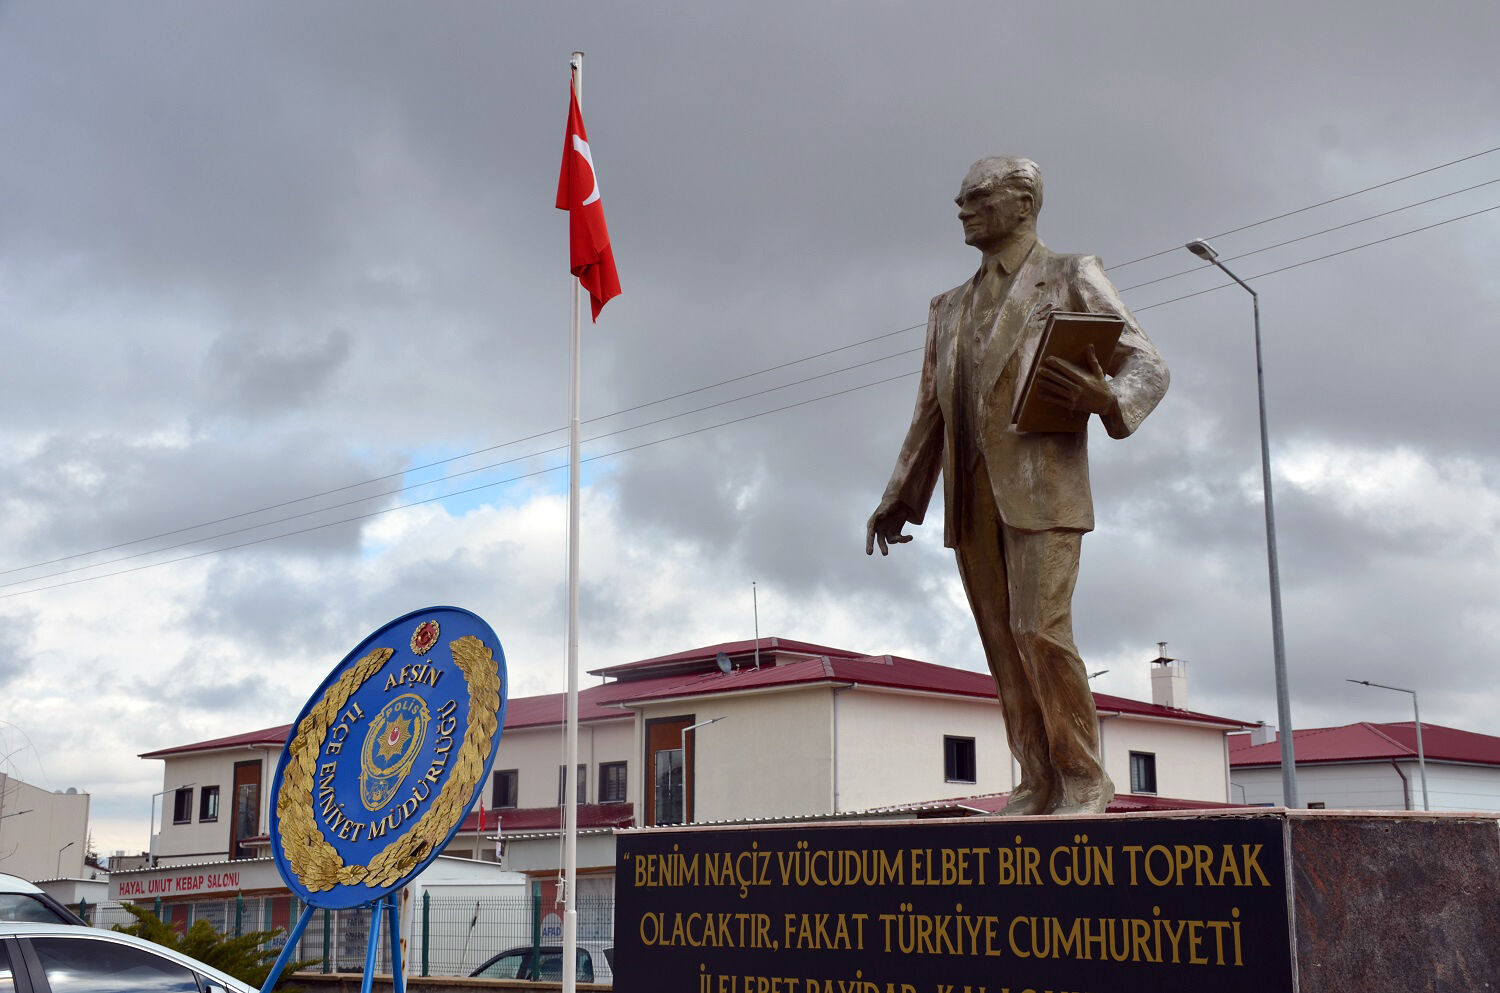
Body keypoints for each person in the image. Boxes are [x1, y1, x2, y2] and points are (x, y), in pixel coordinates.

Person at [866, 156, 1169, 815]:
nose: (963, 208)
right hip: (970, 497)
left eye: (978, 196)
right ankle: (1035, 779)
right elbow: (930, 410)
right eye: (960, 198)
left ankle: (1084, 777)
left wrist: (1107, 398)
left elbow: (1148, 365)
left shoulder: (1070, 274)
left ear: (1024, 203)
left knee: (1040, 629)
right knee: (1003, 645)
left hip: (1043, 489)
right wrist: (902, 495)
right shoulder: (947, 307)